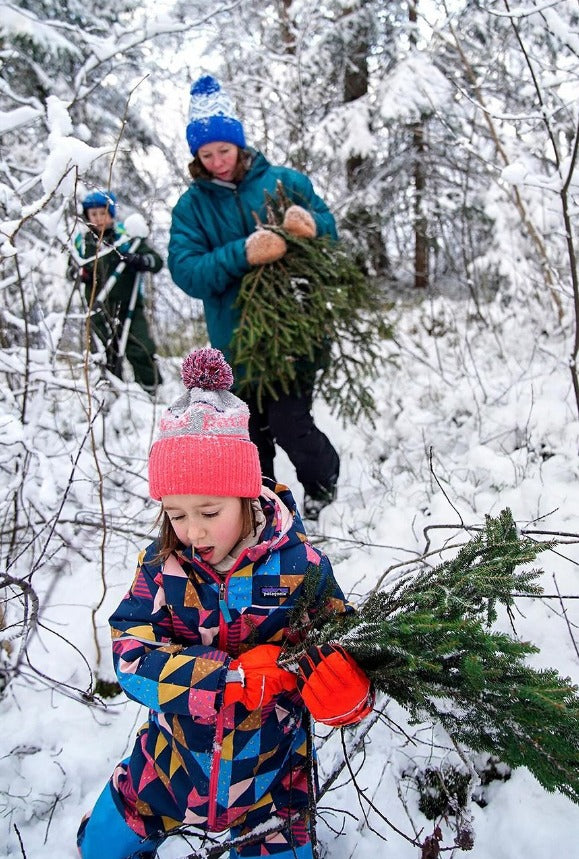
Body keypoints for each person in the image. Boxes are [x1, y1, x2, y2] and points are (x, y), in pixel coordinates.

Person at [76, 347, 374, 859]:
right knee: (98, 849)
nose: (192, 532)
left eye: (209, 512)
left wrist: (350, 695)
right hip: (170, 769)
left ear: (245, 496)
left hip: (271, 780)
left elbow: (342, 641)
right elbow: (130, 653)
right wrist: (224, 681)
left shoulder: (299, 567)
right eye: (176, 514)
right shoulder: (162, 569)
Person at [168, 75, 340, 519]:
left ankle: (322, 485)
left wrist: (311, 227)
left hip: (291, 334)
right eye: (206, 155)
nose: (217, 162)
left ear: (240, 145)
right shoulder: (192, 208)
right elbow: (187, 272)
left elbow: (328, 227)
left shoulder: (283, 181)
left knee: (291, 423)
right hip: (236, 340)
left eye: (224, 150)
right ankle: (264, 504)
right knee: (252, 434)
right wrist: (243, 253)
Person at [71, 190, 164, 394]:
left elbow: (156, 261)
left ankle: (151, 391)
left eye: (102, 213)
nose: (98, 218)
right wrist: (81, 274)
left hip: (129, 306)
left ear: (111, 213)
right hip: (98, 308)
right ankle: (113, 395)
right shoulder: (82, 242)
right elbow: (71, 270)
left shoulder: (127, 237)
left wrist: (140, 260)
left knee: (141, 349)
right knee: (106, 354)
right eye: (93, 214)